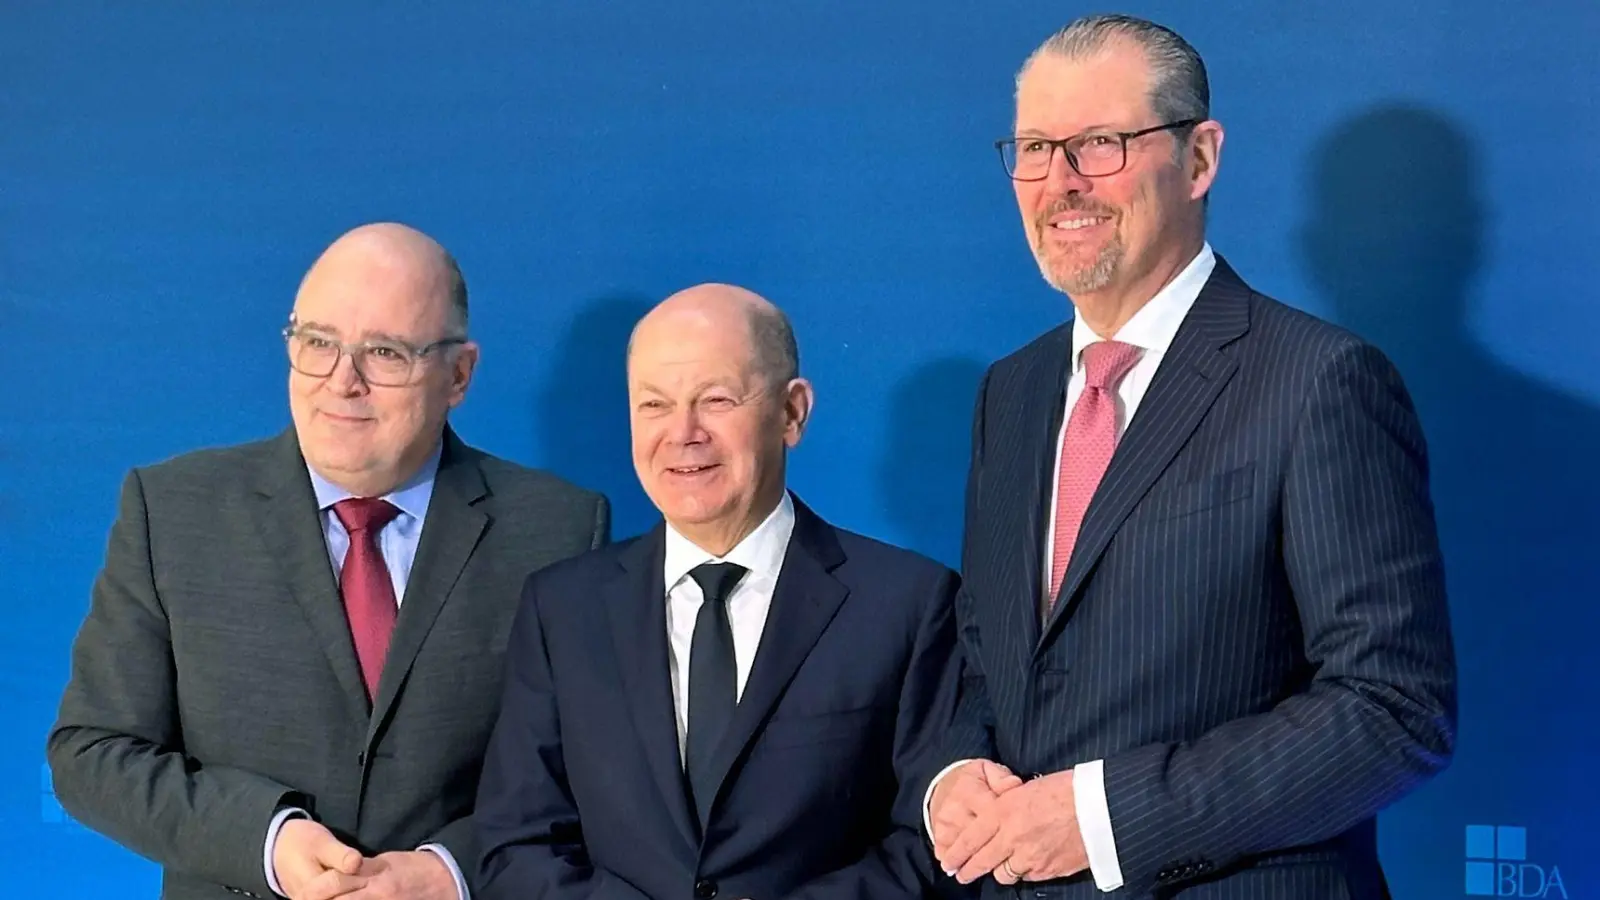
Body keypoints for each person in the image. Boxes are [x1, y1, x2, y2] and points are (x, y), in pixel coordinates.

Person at [925, 15, 1457, 899]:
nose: (1061, 183)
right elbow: (988, 663)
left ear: (1200, 160)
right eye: (1033, 148)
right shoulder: (1010, 395)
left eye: (1100, 144)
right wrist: (952, 779)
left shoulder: (1319, 380)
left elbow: (1395, 710)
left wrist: (1104, 817)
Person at [47, 222, 610, 900]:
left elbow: (590, 769)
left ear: (458, 374)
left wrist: (452, 870)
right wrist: (267, 839)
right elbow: (93, 754)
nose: (343, 383)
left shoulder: (558, 530)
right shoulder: (171, 513)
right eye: (318, 343)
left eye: (385, 353)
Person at [473, 283, 961, 900]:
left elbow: (933, 844)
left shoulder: (908, 604)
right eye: (654, 405)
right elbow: (515, 845)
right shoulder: (561, 612)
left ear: (792, 413)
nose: (683, 433)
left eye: (717, 399)